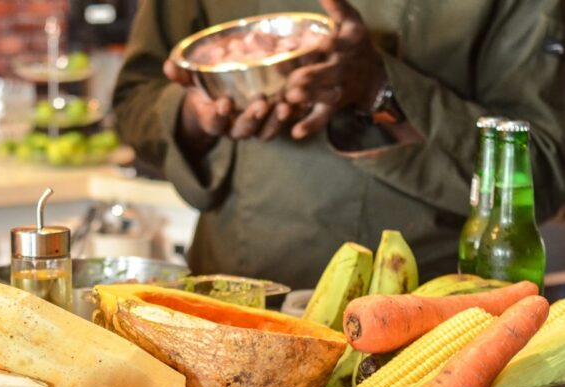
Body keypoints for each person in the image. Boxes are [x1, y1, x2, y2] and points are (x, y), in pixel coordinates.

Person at [113, 0, 565, 289]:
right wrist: (198, 113)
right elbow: (134, 103)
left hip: (420, 330)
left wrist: (380, 89)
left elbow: (542, 173)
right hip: (224, 305)